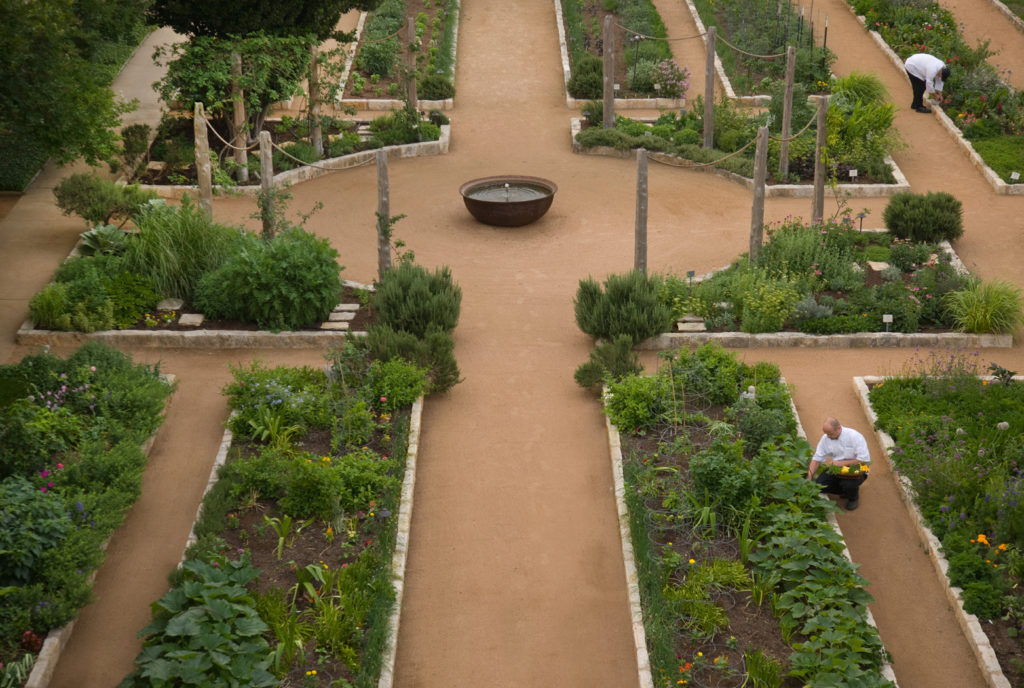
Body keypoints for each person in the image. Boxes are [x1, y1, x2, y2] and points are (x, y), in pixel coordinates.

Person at [807, 417, 871, 511]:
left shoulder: (854, 436)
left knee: (848, 484)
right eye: (826, 434)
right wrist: (809, 477)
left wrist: (841, 463)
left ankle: (853, 497)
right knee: (820, 485)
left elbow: (864, 459)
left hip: (858, 468)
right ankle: (844, 491)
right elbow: (817, 459)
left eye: (830, 434)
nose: (828, 436)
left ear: (839, 428)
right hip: (837, 468)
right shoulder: (826, 438)